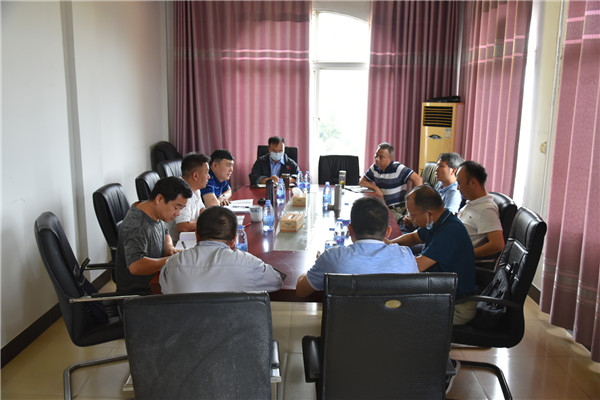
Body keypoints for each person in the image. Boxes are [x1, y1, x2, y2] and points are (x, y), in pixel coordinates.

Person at [386, 185, 477, 325]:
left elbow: (418, 266)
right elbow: (413, 237)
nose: (411, 219)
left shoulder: (450, 231)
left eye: (413, 215)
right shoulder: (438, 221)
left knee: (397, 314)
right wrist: (388, 245)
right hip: (440, 293)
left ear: (429, 213)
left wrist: (385, 259)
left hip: (456, 305)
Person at [296, 196, 418, 297]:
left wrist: (319, 263)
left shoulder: (332, 258)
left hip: (345, 320)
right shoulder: (406, 256)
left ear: (350, 229)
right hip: (394, 319)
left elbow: (300, 291)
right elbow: (415, 294)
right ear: (388, 232)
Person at [160, 206, 284, 293]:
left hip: (185, 324)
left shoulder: (172, 264)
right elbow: (276, 281)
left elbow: (165, 289)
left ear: (196, 234)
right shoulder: (248, 263)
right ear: (234, 240)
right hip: (235, 324)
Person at [115, 176, 193, 295]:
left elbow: (165, 232)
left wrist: (170, 248)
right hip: (141, 294)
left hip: (159, 280)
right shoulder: (137, 225)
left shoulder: (154, 210)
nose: (178, 213)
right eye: (176, 207)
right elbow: (136, 266)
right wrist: (171, 260)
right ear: (159, 199)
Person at [400, 152, 464, 233]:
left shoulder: (454, 193)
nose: (436, 170)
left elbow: (446, 221)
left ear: (453, 170)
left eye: (441, 166)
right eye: (437, 166)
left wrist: (416, 222)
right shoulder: (440, 184)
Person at [359, 142, 423, 221]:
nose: (377, 159)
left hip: (398, 209)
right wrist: (376, 188)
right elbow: (362, 182)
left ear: (390, 159)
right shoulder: (375, 167)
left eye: (381, 157)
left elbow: (418, 179)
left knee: (376, 219)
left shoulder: (398, 168)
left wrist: (415, 202)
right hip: (384, 207)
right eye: (376, 155)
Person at [456, 161, 504, 258]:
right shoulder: (472, 202)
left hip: (454, 260)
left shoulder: (486, 209)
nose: (457, 188)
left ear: (473, 182)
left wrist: (465, 256)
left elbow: (497, 244)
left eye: (459, 183)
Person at [168, 153, 211, 242]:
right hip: (178, 244)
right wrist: (207, 220)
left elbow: (202, 210)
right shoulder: (181, 191)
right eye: (206, 173)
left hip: (192, 237)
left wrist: (213, 216)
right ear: (195, 176)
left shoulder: (195, 188)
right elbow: (183, 227)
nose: (209, 177)